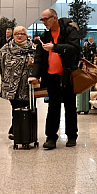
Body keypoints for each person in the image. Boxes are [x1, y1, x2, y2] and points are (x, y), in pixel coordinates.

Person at [29, 9, 82, 149]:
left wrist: (55, 47)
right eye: (42, 20)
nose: (44, 22)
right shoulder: (45, 36)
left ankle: (72, 136)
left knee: (70, 106)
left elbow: (75, 49)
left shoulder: (70, 31)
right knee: (53, 107)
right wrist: (35, 75)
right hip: (51, 77)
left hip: (67, 75)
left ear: (55, 18)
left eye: (46, 19)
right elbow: (39, 58)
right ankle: (51, 137)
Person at [0, 26, 34, 139]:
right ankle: (17, 129)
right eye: (17, 34)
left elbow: (40, 64)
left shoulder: (33, 49)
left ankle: (19, 130)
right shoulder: (6, 48)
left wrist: (33, 65)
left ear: (26, 35)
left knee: (25, 106)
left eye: (22, 34)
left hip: (27, 84)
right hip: (10, 84)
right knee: (15, 106)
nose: (19, 36)